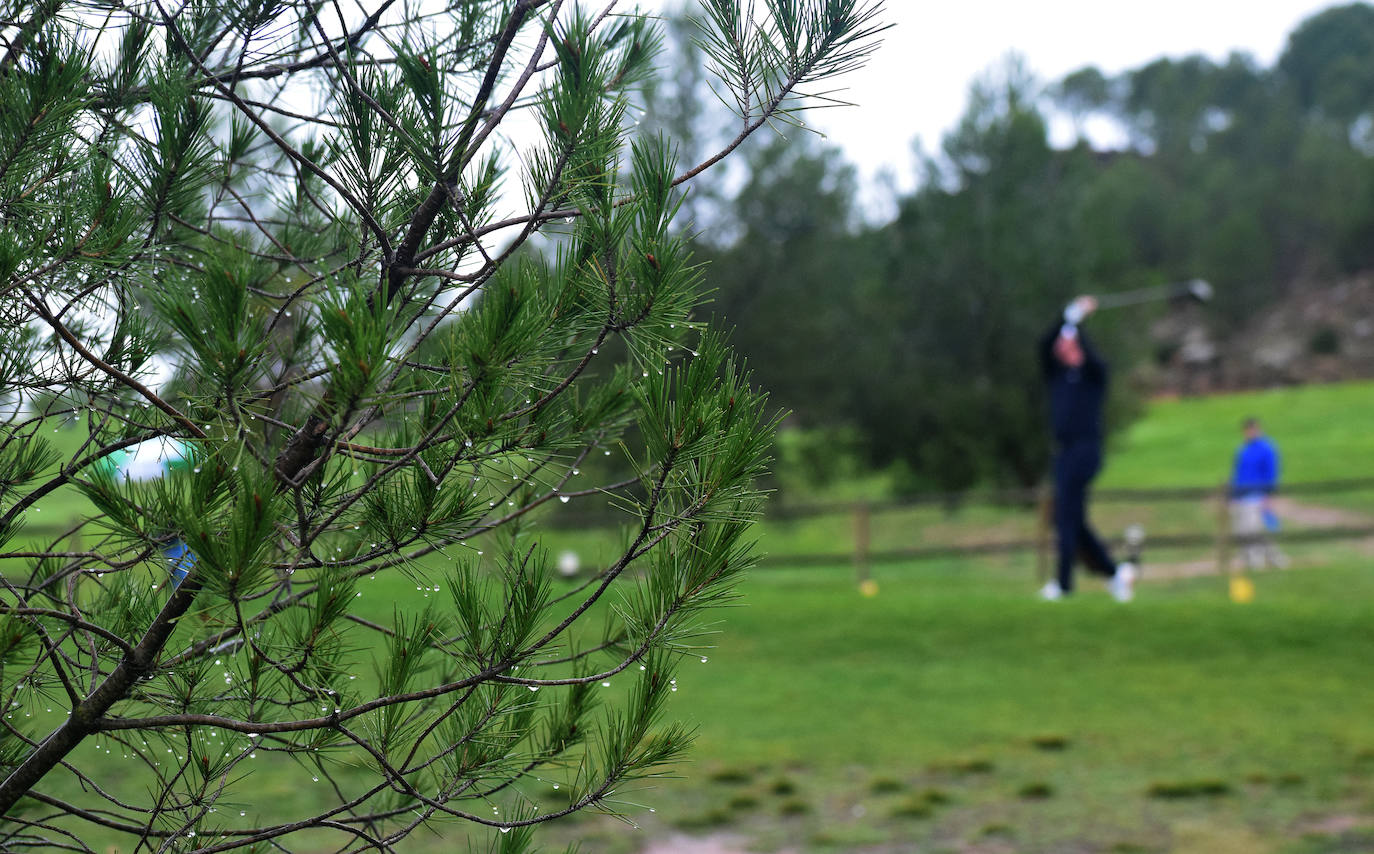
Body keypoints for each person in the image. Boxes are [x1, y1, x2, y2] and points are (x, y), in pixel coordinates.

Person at [1037, 296, 1137, 602]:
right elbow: (1043, 346)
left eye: (1066, 343)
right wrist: (1064, 317)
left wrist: (1078, 325)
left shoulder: (1093, 375)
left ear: (1076, 346)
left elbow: (1093, 357)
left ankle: (1064, 585)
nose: (1060, 347)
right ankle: (1115, 574)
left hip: (1085, 451)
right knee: (1073, 521)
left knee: (1066, 518)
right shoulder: (1057, 376)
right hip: (1064, 452)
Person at [1230, 417, 1286, 569]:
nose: (1250, 433)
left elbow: (1271, 473)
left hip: (1257, 495)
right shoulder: (1243, 450)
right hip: (1242, 495)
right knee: (1243, 530)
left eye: (1253, 429)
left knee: (1254, 529)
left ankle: (1257, 562)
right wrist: (1233, 495)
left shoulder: (1267, 448)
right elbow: (1237, 474)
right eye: (1247, 430)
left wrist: (1268, 495)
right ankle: (1268, 559)